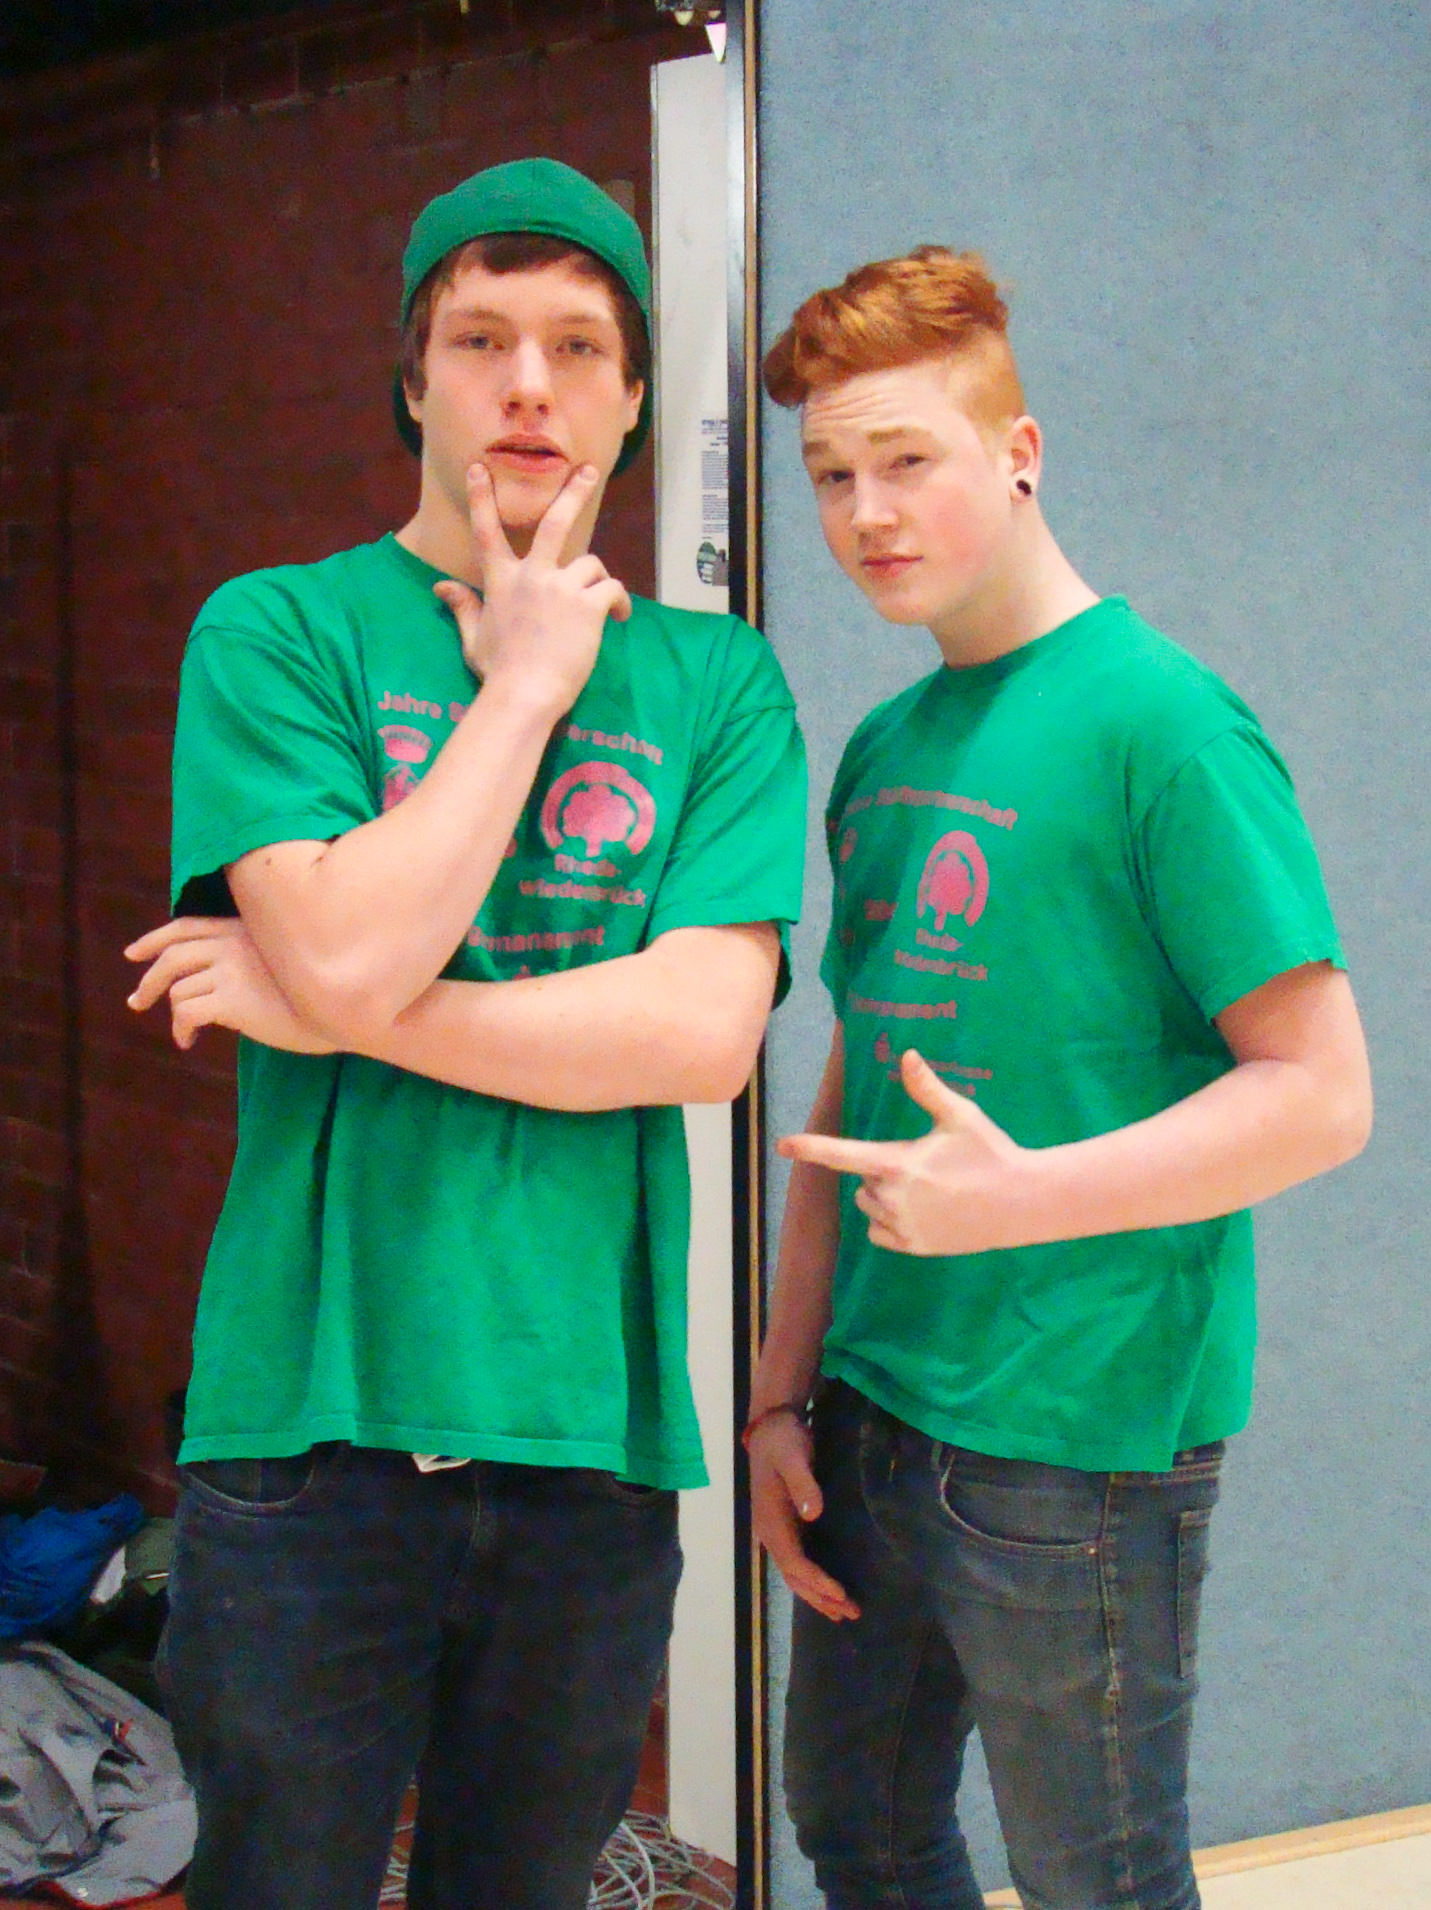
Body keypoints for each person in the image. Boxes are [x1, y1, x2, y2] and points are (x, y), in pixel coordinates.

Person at [124, 158, 805, 1910]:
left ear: (634, 400)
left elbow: (701, 1033)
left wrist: (331, 1003)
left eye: (578, 347)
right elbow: (352, 948)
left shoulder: (720, 684)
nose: (528, 385)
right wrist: (522, 688)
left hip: (590, 1438)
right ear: (412, 379)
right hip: (311, 1430)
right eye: (480, 339)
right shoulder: (280, 630)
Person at [746, 247, 1371, 1910]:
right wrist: (779, 1389)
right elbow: (855, 1079)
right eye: (830, 475)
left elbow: (1323, 1091)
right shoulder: (887, 747)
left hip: (1077, 1438)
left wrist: (1021, 1198)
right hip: (872, 1408)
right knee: (858, 1831)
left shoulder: (1168, 725)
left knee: (1100, 1879)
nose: (867, 512)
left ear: (1020, 452)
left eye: (907, 459)